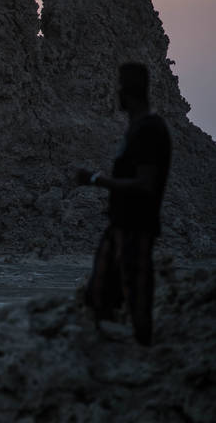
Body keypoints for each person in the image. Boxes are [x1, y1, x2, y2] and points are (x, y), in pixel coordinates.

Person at [77, 62, 171, 346]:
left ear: (128, 93)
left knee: (137, 292)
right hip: (120, 225)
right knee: (100, 290)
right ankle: (109, 355)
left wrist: (96, 180)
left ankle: (145, 356)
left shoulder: (150, 130)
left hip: (137, 226)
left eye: (120, 88)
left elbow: (145, 184)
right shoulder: (137, 129)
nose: (115, 94)